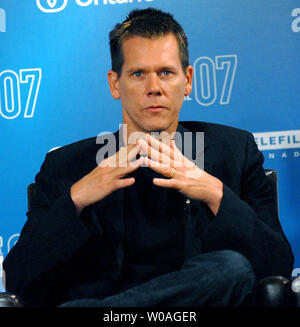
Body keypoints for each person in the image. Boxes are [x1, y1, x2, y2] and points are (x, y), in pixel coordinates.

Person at [3, 8, 294, 307]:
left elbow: (277, 265)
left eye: (166, 73)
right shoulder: (65, 168)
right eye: (138, 74)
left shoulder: (235, 151)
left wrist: (215, 193)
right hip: (107, 297)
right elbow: (17, 277)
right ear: (115, 83)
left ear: (188, 79)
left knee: (230, 269)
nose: (154, 88)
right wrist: (76, 199)